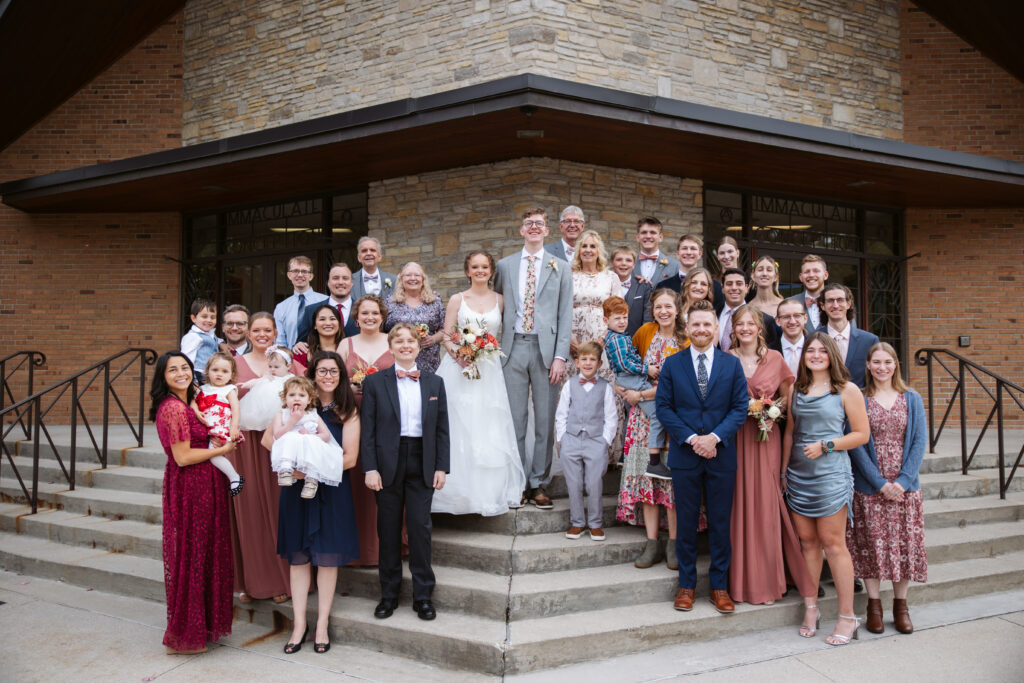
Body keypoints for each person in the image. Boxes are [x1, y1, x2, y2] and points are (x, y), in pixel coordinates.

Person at [656, 299, 749, 615]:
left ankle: (720, 588)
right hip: (685, 455)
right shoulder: (673, 364)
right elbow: (664, 409)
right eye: (695, 324)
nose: (701, 329)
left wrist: (714, 437)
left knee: (721, 523)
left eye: (707, 324)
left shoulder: (731, 364)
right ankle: (686, 586)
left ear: (716, 327)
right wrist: (694, 439)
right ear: (688, 327)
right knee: (685, 523)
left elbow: (740, 408)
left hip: (721, 455)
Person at [782, 333, 870, 645]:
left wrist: (828, 444)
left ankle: (847, 616)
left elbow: (861, 434)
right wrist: (783, 471)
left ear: (832, 355)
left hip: (831, 473)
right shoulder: (796, 388)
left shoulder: (847, 390)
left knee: (833, 544)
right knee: (807, 543)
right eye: (811, 350)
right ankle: (811, 608)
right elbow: (790, 432)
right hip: (798, 473)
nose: (816, 355)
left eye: (822, 350)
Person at [726, 305, 815, 605]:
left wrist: (773, 412)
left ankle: (769, 580)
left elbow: (789, 404)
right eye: (740, 324)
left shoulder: (775, 359)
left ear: (760, 328)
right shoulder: (725, 360)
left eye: (751, 323)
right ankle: (741, 583)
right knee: (739, 505)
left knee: (765, 506)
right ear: (733, 329)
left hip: (766, 439)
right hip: (736, 439)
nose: (746, 328)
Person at [362, 323, 450, 621]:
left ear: (418, 345)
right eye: (399, 341)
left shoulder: (435, 383)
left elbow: (441, 429)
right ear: (391, 347)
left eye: (410, 340)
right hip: (387, 463)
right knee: (387, 531)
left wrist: (441, 466)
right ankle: (389, 595)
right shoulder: (375, 383)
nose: (405, 345)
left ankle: (423, 595)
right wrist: (371, 467)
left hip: (422, 461)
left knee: (419, 529)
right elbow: (368, 432)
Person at [276, 351, 360, 654]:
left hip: (331, 490)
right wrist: (293, 467)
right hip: (297, 488)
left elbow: (350, 457)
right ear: (313, 373)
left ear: (341, 375)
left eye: (333, 371)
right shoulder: (296, 404)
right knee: (298, 558)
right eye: (322, 370)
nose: (327, 375)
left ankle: (322, 624)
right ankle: (299, 624)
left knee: (327, 558)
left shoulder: (347, 409)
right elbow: (270, 441)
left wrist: (316, 469)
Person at [151, 351, 235, 654]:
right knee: (193, 555)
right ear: (163, 377)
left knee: (205, 553)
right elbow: (183, 457)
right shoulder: (173, 409)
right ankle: (185, 635)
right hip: (191, 487)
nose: (181, 373)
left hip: (207, 484)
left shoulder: (191, 402)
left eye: (185, 367)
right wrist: (221, 449)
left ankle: (203, 626)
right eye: (172, 370)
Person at [432, 251, 525, 516]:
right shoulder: (457, 300)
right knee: (459, 425)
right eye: (475, 266)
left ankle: (488, 493)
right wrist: (459, 355)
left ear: (491, 270)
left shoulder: (502, 301)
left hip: (491, 371)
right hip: (460, 369)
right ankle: (456, 493)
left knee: (489, 427)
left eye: (485, 266)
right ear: (467, 271)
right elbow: (447, 337)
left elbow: (510, 334)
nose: (480, 270)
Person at [493, 207, 573, 510]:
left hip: (546, 349)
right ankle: (517, 482)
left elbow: (565, 315)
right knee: (514, 420)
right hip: (512, 349)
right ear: (521, 230)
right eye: (529, 224)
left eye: (539, 224)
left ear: (547, 230)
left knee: (544, 420)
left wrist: (560, 357)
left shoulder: (560, 267)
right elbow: (498, 306)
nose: (534, 228)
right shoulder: (505, 265)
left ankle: (539, 482)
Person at [848, 343, 928, 635]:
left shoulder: (912, 398)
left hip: (905, 488)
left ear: (896, 364)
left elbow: (919, 442)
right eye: (877, 362)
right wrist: (880, 483)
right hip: (871, 487)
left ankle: (901, 606)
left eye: (888, 362)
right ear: (868, 365)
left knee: (902, 549)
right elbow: (856, 444)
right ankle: (873, 605)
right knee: (872, 548)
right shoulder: (861, 398)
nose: (882, 367)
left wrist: (903, 482)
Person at [228, 312, 305, 604]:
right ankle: (253, 581)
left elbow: (302, 396)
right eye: (257, 330)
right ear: (248, 333)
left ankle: (283, 580)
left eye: (268, 330)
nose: (262, 335)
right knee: (249, 512)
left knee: (279, 509)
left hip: (280, 444)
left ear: (275, 333)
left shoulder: (290, 363)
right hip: (245, 446)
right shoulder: (235, 364)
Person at [618, 288, 687, 569]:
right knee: (647, 478)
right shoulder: (645, 332)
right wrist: (624, 388)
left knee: (670, 484)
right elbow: (628, 366)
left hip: (672, 419)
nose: (663, 312)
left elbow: (682, 385)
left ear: (678, 309)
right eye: (658, 307)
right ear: (652, 310)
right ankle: (651, 543)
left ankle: (673, 543)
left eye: (668, 306)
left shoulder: (687, 340)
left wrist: (642, 395)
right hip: (642, 422)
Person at [341, 294, 396, 566]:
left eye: (374, 313)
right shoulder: (345, 344)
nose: (370, 318)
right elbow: (335, 382)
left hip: (388, 417)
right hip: (354, 414)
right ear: (356, 318)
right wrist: (348, 388)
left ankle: (386, 545)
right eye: (364, 314)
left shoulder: (393, 341)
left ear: (382, 316)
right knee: (356, 480)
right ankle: (359, 547)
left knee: (386, 477)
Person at [555, 340, 617, 541]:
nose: (588, 363)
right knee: (573, 484)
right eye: (584, 359)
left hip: (595, 441)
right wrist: (563, 438)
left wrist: (604, 441)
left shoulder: (605, 388)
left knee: (594, 483)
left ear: (599, 364)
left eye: (592, 360)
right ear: (577, 361)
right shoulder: (570, 385)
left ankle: (596, 524)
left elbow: (611, 417)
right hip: (571, 440)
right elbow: (561, 413)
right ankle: (577, 523)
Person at [604, 297, 667, 480]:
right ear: (605, 320)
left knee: (630, 415)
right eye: (617, 318)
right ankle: (654, 462)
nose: (622, 322)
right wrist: (647, 369)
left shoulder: (620, 337)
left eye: (624, 317)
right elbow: (624, 364)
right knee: (658, 414)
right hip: (632, 380)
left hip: (627, 380)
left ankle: (625, 455)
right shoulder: (617, 339)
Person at [270, 376, 345, 500]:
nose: (297, 398)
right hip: (291, 451)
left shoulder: (313, 416)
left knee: (313, 443)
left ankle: (311, 480)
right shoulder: (281, 414)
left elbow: (326, 436)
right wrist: (292, 421)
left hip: (308, 449)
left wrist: (310, 436)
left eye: (302, 395)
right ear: (285, 398)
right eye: (292, 395)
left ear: (309, 399)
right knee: (289, 437)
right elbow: (277, 435)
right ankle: (285, 469)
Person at [192, 352, 245, 496]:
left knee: (214, 455)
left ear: (231, 374)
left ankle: (235, 477)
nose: (219, 374)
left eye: (224, 371)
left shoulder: (229, 390)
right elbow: (192, 402)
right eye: (215, 370)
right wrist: (197, 410)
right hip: (205, 428)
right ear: (207, 371)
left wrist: (233, 427)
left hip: (221, 427)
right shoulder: (203, 389)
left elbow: (236, 409)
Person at [568, 229, 620, 376]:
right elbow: (560, 311)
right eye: (584, 246)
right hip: (573, 341)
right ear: (578, 250)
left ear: (599, 251)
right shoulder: (569, 277)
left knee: (602, 383)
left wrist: (603, 338)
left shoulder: (610, 277)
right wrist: (568, 340)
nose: (588, 250)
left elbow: (619, 312)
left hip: (602, 340)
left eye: (592, 246)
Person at [384, 261, 446, 373]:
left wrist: (433, 339)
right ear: (401, 279)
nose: (413, 278)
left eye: (417, 275)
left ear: (423, 279)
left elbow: (445, 328)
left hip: (429, 361)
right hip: (398, 358)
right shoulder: (389, 301)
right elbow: (382, 329)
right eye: (408, 275)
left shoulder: (435, 300)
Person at [816, 283, 879, 389]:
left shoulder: (869, 341)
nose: (835, 305)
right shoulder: (813, 339)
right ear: (823, 306)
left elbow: (876, 379)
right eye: (830, 301)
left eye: (840, 300)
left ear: (849, 304)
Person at [295, 262, 360, 346]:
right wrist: (298, 345)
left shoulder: (363, 310)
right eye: (335, 278)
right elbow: (301, 343)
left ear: (351, 283)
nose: (340, 282)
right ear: (328, 283)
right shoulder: (310, 311)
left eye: (345, 278)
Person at [718, 268, 780, 351]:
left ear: (747, 288)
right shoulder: (712, 315)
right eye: (729, 284)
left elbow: (771, 356)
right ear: (722, 288)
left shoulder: (765, 320)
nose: (734, 287)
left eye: (739, 284)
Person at [274, 255, 328, 348]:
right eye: (295, 271)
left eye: (304, 271)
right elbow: (280, 342)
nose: (299, 275)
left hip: (321, 357)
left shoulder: (325, 301)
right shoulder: (281, 308)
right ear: (289, 275)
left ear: (311, 276)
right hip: (291, 359)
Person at [237, 346, 295, 432]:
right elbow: (258, 381)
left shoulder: (291, 379)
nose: (272, 369)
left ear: (288, 366)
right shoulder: (269, 376)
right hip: (266, 406)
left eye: (276, 367)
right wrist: (246, 384)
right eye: (270, 366)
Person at [662, 234, 724, 310]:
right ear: (678, 254)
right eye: (684, 248)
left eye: (693, 248)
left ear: (700, 254)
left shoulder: (715, 287)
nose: (688, 252)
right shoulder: (663, 286)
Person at [611, 245, 652, 336]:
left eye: (628, 260)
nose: (624, 263)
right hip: (607, 340)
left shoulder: (644, 286)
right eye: (619, 260)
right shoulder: (604, 283)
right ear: (612, 262)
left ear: (634, 265)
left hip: (635, 340)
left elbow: (647, 319)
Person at [180, 298, 221, 384]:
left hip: (211, 375)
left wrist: (222, 343)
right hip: (199, 375)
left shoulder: (209, 334)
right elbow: (186, 359)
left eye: (213, 317)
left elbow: (214, 340)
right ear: (193, 318)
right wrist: (193, 380)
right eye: (204, 316)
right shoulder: (192, 337)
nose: (209, 320)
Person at [631, 216, 679, 288]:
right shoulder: (628, 265)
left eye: (653, 232)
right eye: (644, 232)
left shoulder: (675, 266)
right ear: (638, 237)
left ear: (660, 237)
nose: (648, 236)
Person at [784, 254, 828, 332]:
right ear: (801, 277)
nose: (811, 275)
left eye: (816, 271)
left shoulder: (839, 304)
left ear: (825, 275)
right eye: (807, 272)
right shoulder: (788, 303)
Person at [351, 236, 395, 301]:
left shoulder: (393, 280)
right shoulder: (350, 280)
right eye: (364, 251)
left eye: (372, 250)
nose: (368, 253)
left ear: (379, 256)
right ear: (359, 257)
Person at [773, 298, 809, 376]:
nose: (792, 321)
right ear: (778, 321)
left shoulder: (816, 348)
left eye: (797, 316)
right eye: (786, 317)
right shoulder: (768, 351)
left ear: (805, 318)